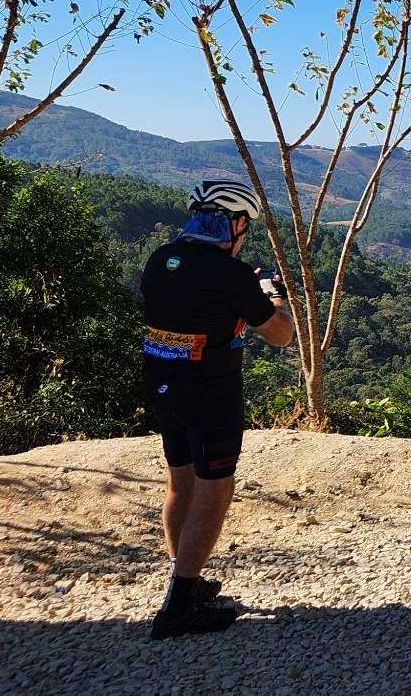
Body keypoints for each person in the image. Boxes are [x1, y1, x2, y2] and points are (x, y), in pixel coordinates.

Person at [138, 180, 294, 640]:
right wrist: (274, 295)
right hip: (210, 391)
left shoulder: (160, 259)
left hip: (162, 381)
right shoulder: (231, 275)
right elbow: (281, 334)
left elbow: (193, 302)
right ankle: (177, 609)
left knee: (180, 483)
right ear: (236, 223)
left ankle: (183, 576)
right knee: (215, 491)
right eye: (246, 225)